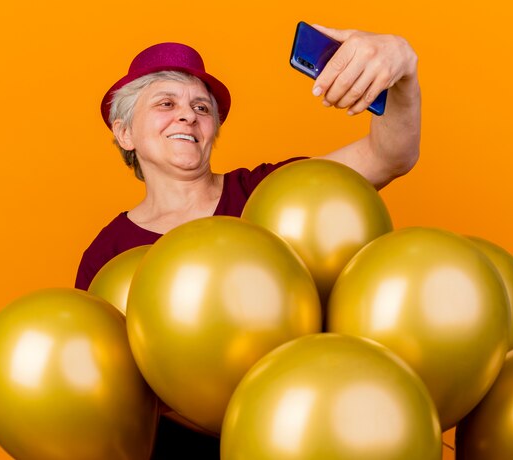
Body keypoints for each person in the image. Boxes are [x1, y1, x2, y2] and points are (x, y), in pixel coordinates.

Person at [75, 24, 420, 459]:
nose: (188, 115)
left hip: (298, 435)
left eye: (202, 108)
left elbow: (390, 155)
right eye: (166, 103)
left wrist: (403, 69)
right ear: (125, 134)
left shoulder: (268, 193)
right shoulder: (107, 252)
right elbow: (102, 394)